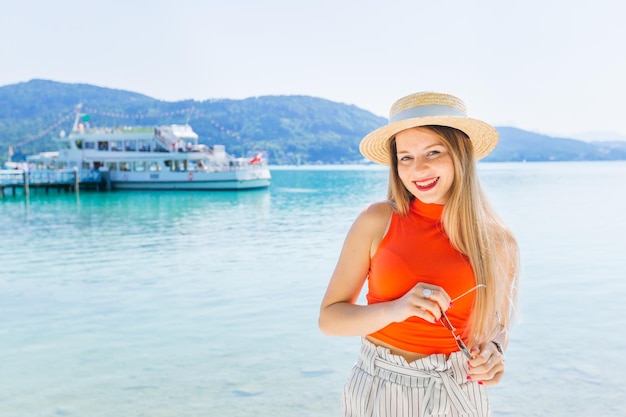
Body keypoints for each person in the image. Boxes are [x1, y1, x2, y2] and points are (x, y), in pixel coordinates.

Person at [319, 91, 519, 417]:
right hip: (379, 386)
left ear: (461, 155)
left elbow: (498, 325)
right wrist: (397, 309)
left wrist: (494, 353)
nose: (418, 169)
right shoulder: (376, 220)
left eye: (433, 152)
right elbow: (329, 320)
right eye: (405, 158)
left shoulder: (497, 240)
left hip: (459, 389)